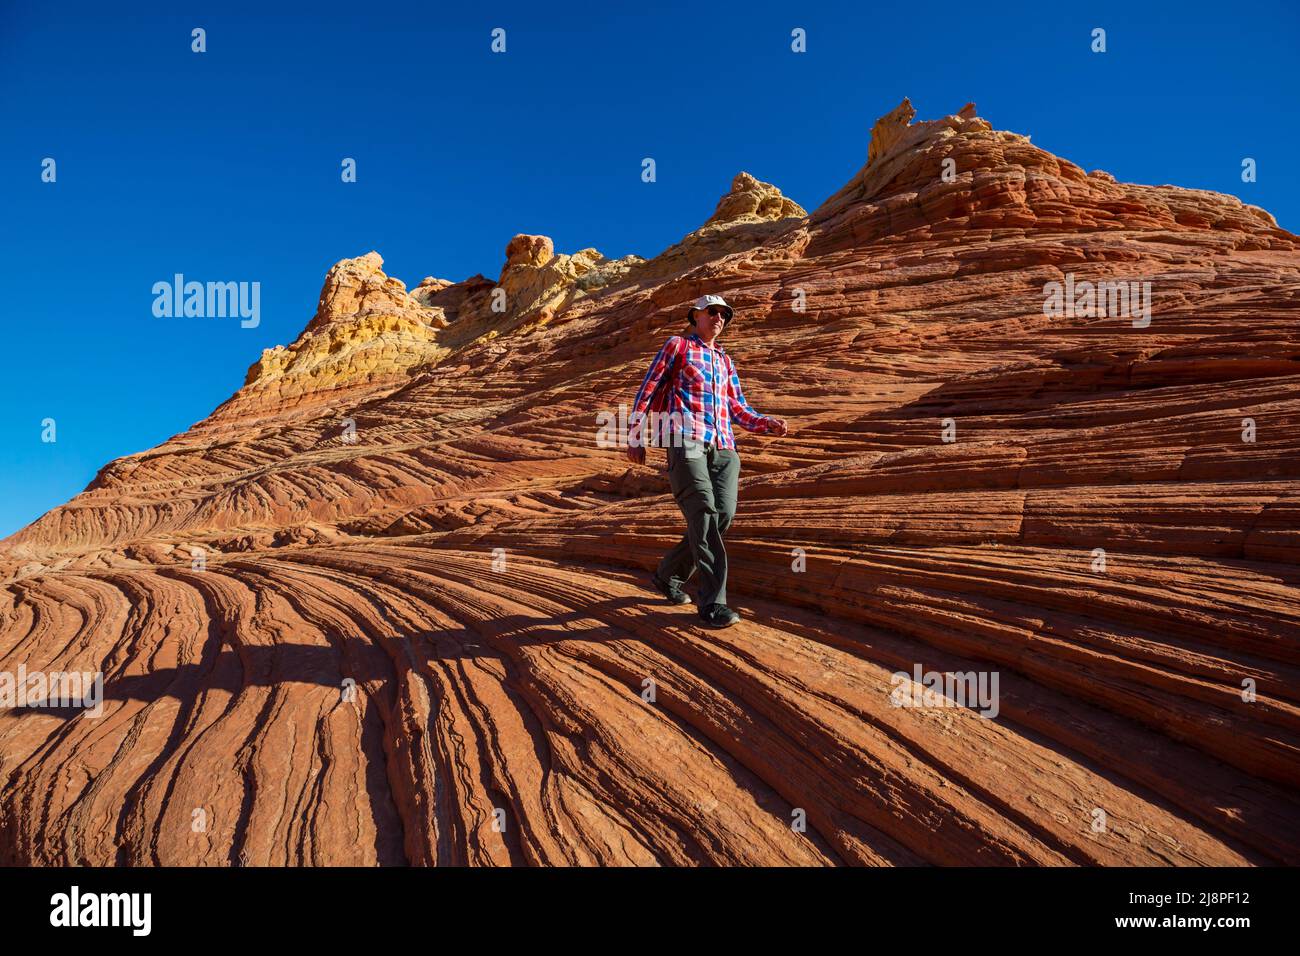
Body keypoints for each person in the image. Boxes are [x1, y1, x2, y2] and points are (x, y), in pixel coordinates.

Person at [626, 294, 788, 628]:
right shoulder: (677, 346)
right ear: (695, 315)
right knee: (702, 508)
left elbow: (737, 407)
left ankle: (668, 574)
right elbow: (648, 387)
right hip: (685, 437)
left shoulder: (725, 361)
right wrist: (634, 434)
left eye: (724, 314)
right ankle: (713, 603)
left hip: (724, 446)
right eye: (712, 312)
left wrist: (764, 423)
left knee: (722, 515)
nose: (719, 318)